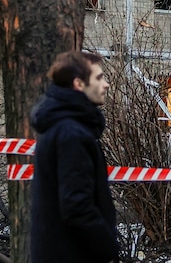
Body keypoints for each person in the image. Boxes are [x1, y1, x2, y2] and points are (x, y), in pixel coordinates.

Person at [29, 50, 119, 263]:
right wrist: (108, 247)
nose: (106, 84)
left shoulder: (64, 127)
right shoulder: (72, 134)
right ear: (79, 84)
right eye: (99, 78)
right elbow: (77, 207)